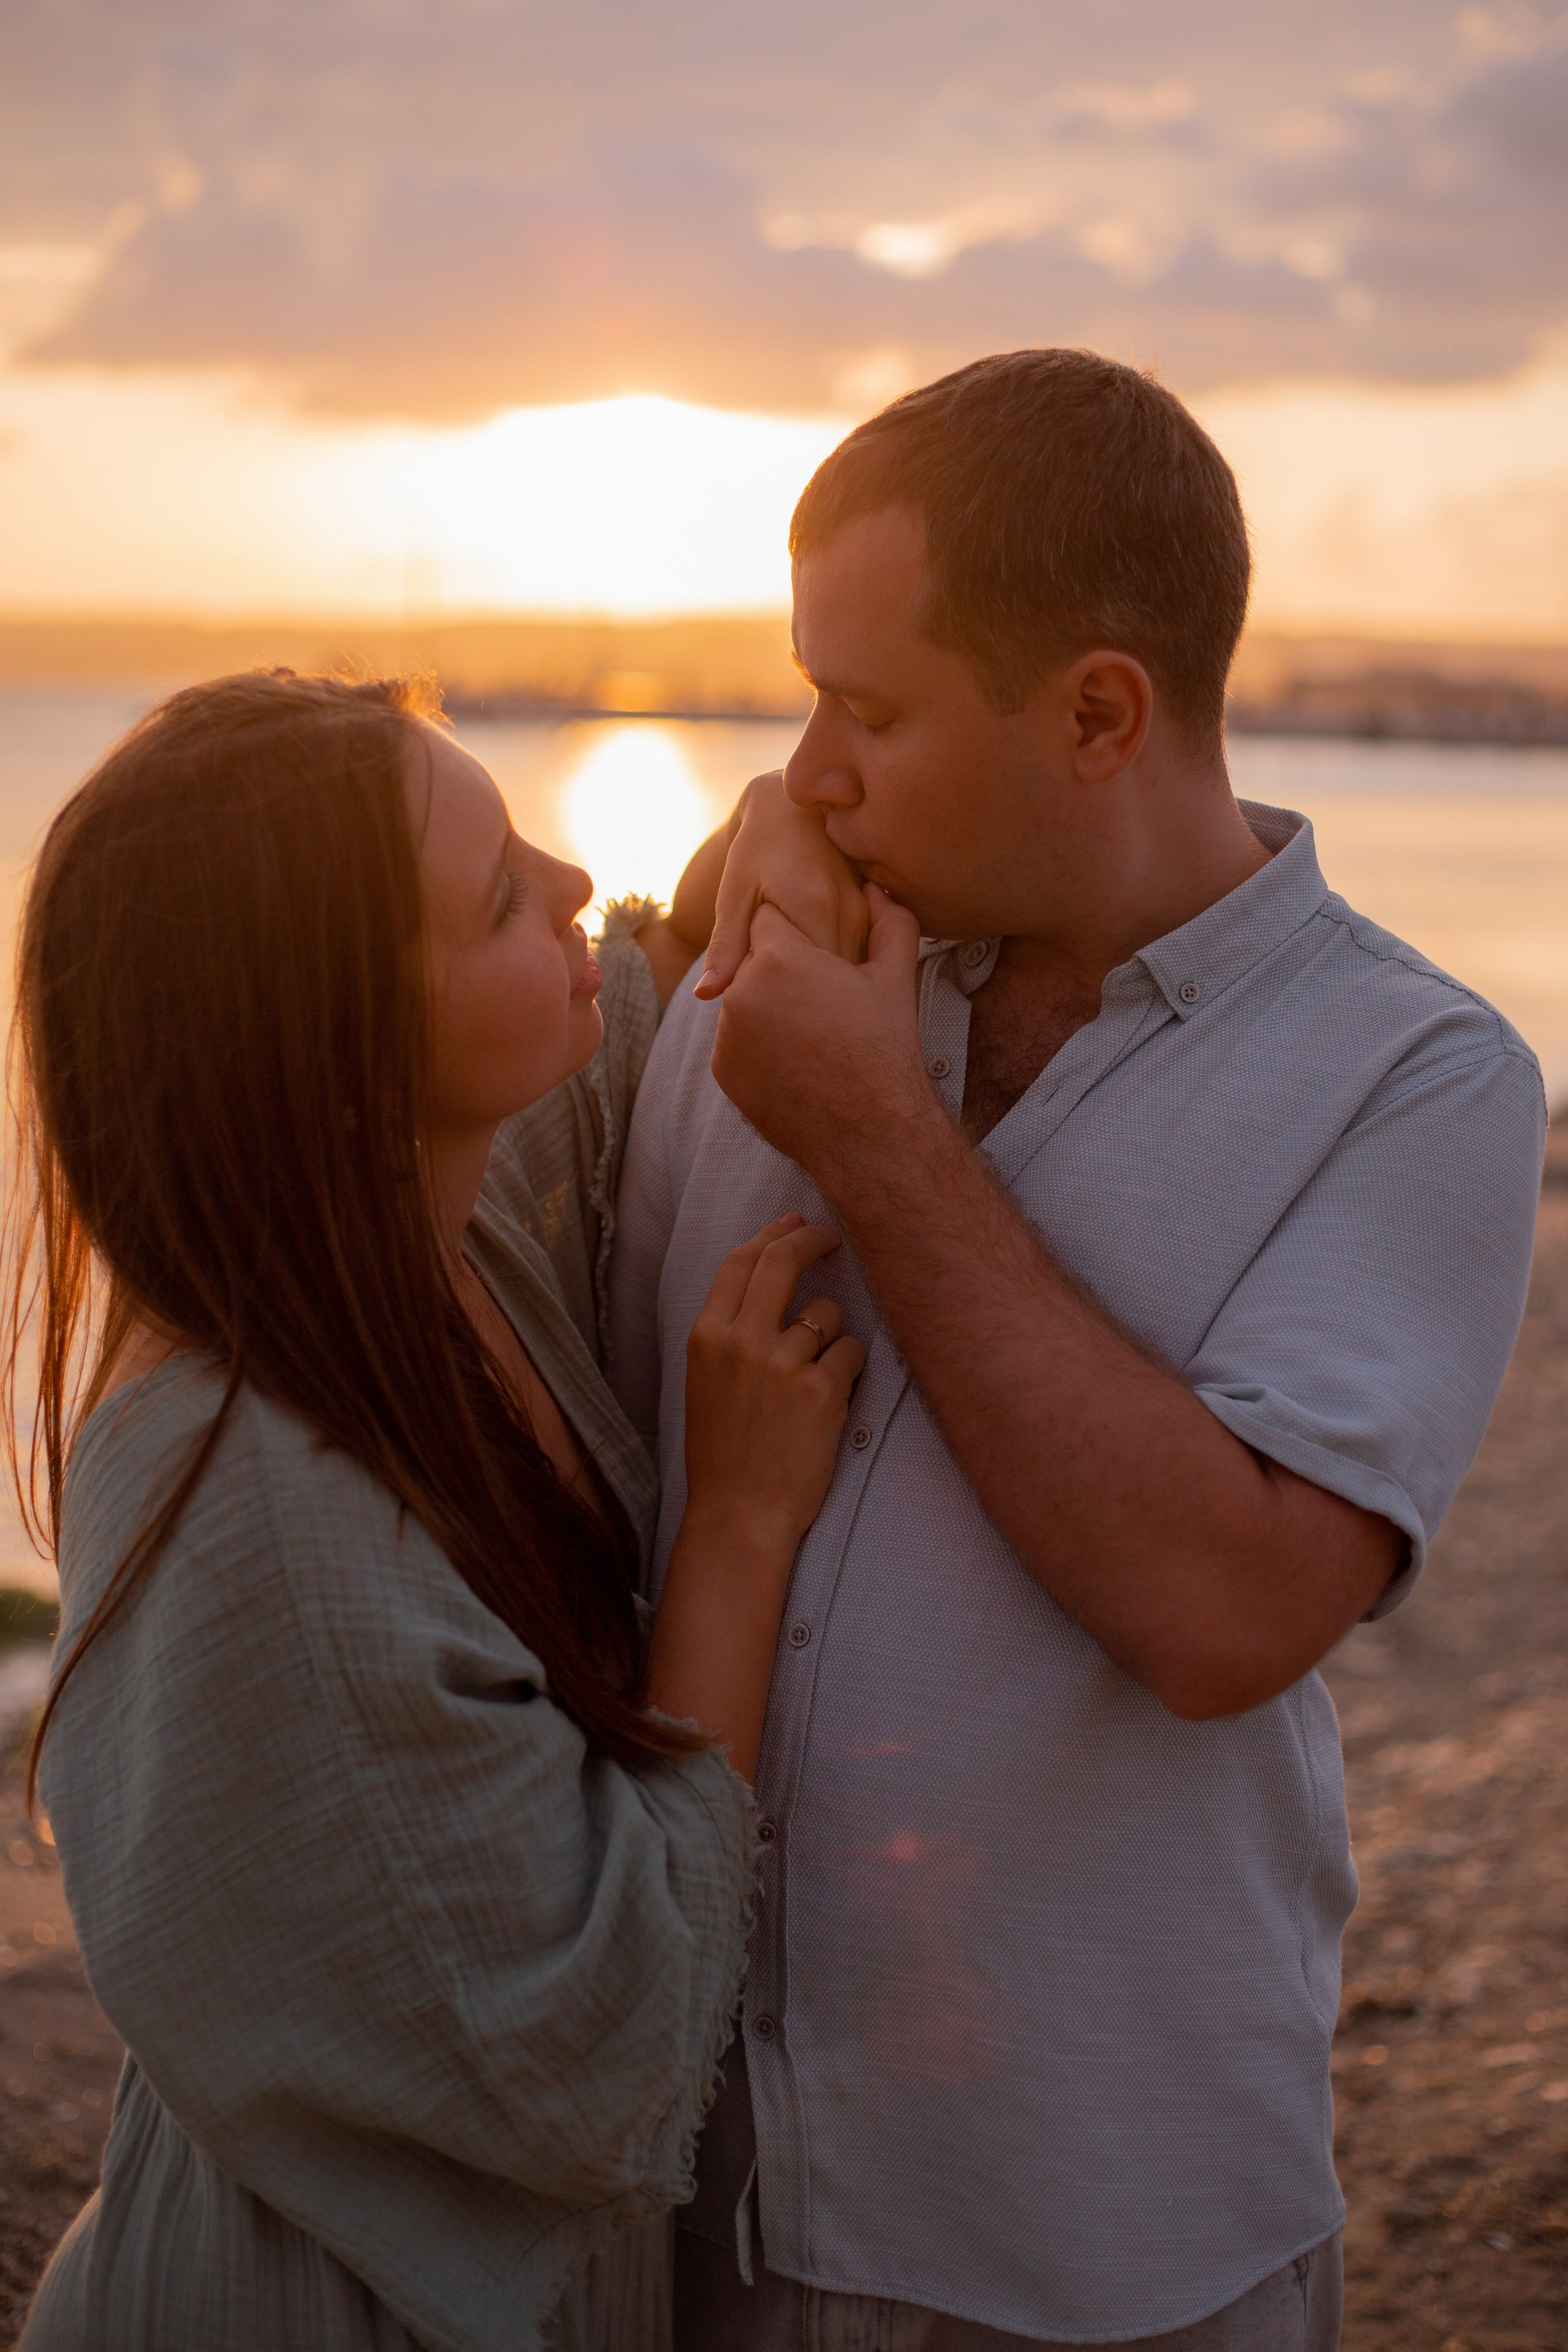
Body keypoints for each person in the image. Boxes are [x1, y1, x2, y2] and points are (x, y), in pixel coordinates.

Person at [608, 350, 1548, 2350]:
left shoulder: (1418, 1077)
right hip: (670, 2199)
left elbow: (1227, 1610)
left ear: (1103, 714)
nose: (808, 769)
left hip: (1089, 2240)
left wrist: (874, 1131)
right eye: (805, 700)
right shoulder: (763, 953)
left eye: (867, 712)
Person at [5, 668, 867, 2352]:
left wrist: (742, 854)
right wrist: (738, 1530)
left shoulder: (427, 1247)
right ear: (340, 1056)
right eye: (494, 897)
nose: (563, 886)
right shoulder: (257, 1498)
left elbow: (613, 1009)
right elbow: (603, 2050)